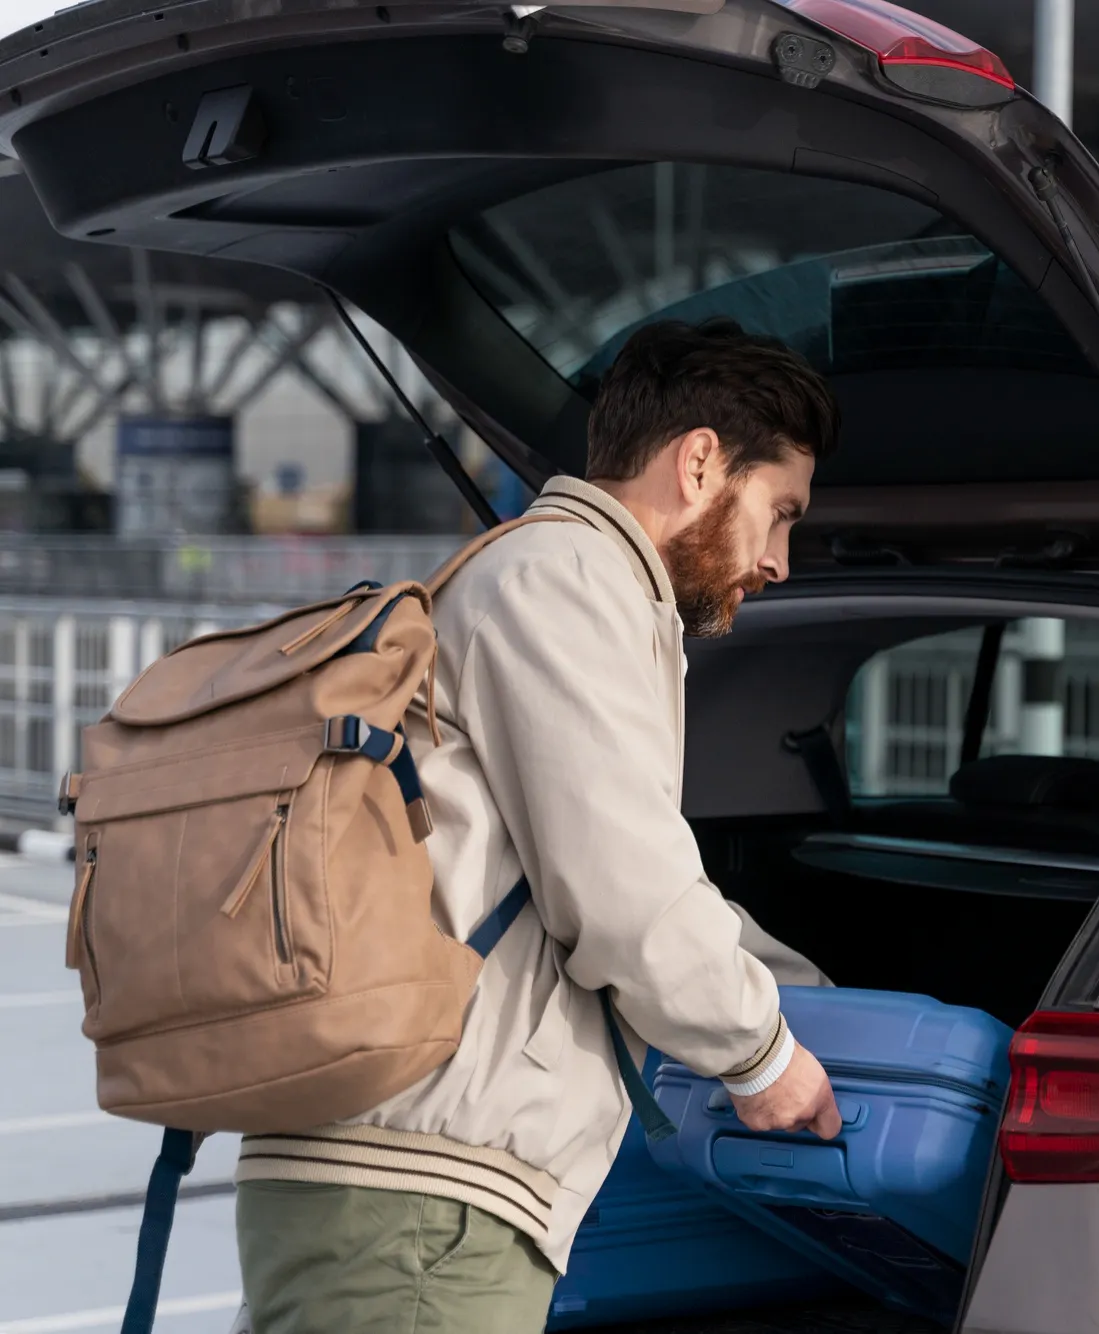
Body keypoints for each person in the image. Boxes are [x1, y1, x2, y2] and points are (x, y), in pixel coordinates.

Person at [228, 319, 846, 1333]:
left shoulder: (550, 579)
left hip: (397, 1186)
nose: (781, 559)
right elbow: (627, 897)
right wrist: (762, 1056)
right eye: (780, 512)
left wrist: (813, 1002)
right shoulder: (567, 580)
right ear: (699, 462)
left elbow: (639, 874)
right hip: (421, 1204)